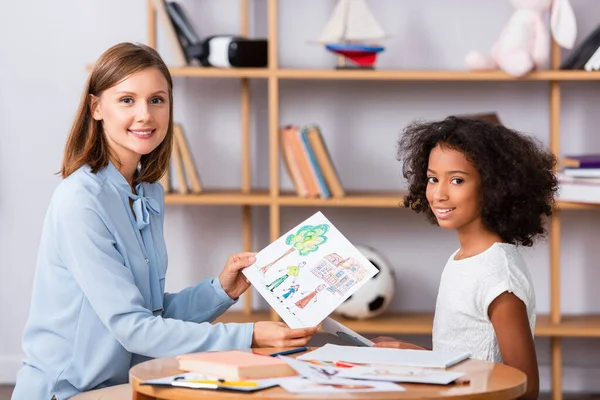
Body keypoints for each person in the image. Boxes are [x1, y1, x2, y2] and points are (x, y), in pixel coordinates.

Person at [11, 42, 316, 400]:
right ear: (97, 108)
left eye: (157, 100)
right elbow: (133, 329)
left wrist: (222, 290)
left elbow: (151, 312)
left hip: (126, 380)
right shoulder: (81, 201)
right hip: (67, 391)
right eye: (127, 100)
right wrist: (249, 335)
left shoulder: (146, 192)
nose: (145, 115)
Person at [374, 116, 557, 400]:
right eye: (433, 178)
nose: (438, 193)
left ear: (495, 187)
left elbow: (526, 387)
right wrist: (415, 356)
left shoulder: (498, 275)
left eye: (457, 180)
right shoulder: (463, 258)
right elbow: (464, 358)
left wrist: (423, 360)